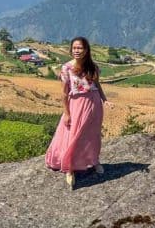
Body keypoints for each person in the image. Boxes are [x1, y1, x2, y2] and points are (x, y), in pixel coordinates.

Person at [45, 37, 111, 188]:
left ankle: (94, 160)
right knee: (74, 135)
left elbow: (97, 84)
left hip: (94, 103)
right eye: (74, 48)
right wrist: (67, 113)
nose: (77, 51)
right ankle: (69, 167)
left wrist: (105, 100)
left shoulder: (93, 67)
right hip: (76, 104)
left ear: (86, 50)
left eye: (80, 48)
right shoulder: (67, 68)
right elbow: (64, 93)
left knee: (93, 134)